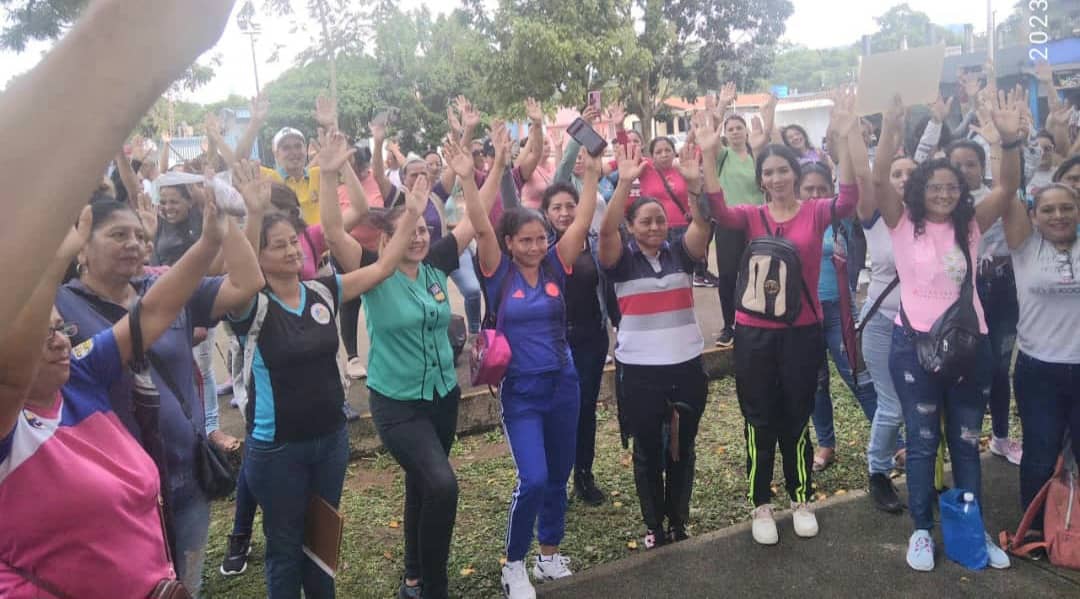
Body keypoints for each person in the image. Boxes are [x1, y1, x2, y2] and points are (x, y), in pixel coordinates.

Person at [1, 200, 248, 597]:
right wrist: (53, 263)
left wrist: (208, 242)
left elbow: (152, 312)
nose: (62, 341)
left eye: (61, 327)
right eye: (42, 335)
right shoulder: (9, 433)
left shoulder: (78, 376)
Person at [230, 127, 430, 598]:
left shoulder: (321, 289)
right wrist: (253, 214)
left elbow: (380, 269)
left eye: (292, 243)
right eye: (274, 245)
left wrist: (410, 217)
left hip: (329, 441)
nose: (287, 250)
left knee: (321, 545)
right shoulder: (250, 305)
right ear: (258, 254)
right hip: (276, 449)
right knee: (284, 549)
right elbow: (237, 263)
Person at [322, 125, 504, 599]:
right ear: (387, 237)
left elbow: (474, 222)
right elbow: (331, 231)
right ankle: (435, 589)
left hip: (443, 396)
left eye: (424, 228)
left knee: (422, 484)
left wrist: (473, 175)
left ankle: (413, 577)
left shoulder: (435, 265)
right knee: (442, 485)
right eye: (411, 228)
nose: (420, 236)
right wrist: (329, 175)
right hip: (396, 404)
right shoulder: (371, 271)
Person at [0, 0, 234, 343]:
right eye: (119, 236)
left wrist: (217, 234)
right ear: (81, 244)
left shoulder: (150, 286)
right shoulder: (64, 310)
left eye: (138, 237)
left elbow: (145, 322)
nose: (134, 244)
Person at [699, 89, 867, 546]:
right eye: (767, 172)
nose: (775, 178)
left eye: (782, 170)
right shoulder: (750, 216)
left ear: (796, 172)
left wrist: (848, 135)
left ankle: (801, 497)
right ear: (760, 178)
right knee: (759, 417)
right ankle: (760, 504)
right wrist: (709, 153)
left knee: (796, 412)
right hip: (754, 335)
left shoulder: (815, 213)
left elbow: (849, 198)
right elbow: (716, 209)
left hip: (801, 332)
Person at [870, 91, 1023, 572]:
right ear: (919, 190)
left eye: (950, 187)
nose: (942, 193)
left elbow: (1008, 189)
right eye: (933, 186)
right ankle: (920, 530)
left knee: (965, 441)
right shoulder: (902, 223)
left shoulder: (971, 226)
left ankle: (971, 529)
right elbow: (877, 178)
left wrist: (1011, 140)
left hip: (969, 347)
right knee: (920, 443)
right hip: (912, 347)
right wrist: (892, 126)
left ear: (961, 191)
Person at [468, 110, 600, 599]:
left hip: (563, 382)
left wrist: (592, 177)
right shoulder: (496, 271)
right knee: (535, 476)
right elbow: (481, 223)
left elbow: (583, 219)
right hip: (520, 391)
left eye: (539, 238)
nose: (533, 245)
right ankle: (515, 563)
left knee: (559, 472)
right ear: (508, 243)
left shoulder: (556, 264)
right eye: (524, 240)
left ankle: (549, 553)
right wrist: (485, 169)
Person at [599, 139, 712, 549]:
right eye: (644, 221)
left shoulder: (682, 254)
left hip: (685, 366)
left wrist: (695, 187)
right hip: (640, 371)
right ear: (632, 227)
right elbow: (606, 228)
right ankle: (655, 526)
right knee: (647, 450)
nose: (653, 227)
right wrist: (624, 183)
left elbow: (703, 226)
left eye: (659, 220)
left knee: (682, 449)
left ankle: (678, 520)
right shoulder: (620, 259)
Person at [1002, 182, 1080, 532]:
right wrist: (1007, 141)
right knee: (1040, 452)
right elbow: (1006, 188)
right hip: (1038, 370)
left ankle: (1072, 526)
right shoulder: (1025, 246)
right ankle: (1032, 530)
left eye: (1067, 207)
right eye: (1048, 209)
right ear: (1033, 216)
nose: (1058, 215)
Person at [800, 161, 880, 473]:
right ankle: (826, 443)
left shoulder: (841, 217)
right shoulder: (793, 219)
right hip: (805, 315)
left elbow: (855, 181)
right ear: (798, 191)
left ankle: (895, 442)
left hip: (840, 312)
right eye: (809, 189)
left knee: (859, 377)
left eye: (822, 188)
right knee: (816, 385)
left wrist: (845, 144)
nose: (816, 194)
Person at [945, 138, 1022, 465]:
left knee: (999, 368)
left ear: (982, 167)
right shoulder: (941, 206)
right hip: (962, 299)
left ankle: (1001, 438)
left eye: (971, 164)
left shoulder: (998, 199)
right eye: (957, 165)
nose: (964, 171)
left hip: (1003, 293)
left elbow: (1009, 185)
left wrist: (1003, 144)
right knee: (968, 369)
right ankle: (962, 440)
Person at [857, 139, 918, 513]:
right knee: (892, 406)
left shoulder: (935, 219)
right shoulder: (874, 217)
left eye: (912, 172)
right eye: (897, 173)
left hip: (925, 329)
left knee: (922, 406)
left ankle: (923, 468)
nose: (904, 178)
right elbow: (868, 175)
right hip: (882, 323)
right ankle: (878, 473)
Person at [709, 87, 777, 347]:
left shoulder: (755, 155)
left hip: (756, 223)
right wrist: (723, 104)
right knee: (728, 276)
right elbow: (711, 138)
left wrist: (771, 109)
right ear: (726, 134)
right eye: (731, 129)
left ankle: (757, 319)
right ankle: (729, 325)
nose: (735, 131)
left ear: (747, 132)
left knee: (758, 272)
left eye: (739, 128)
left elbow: (767, 136)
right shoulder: (723, 156)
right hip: (729, 223)